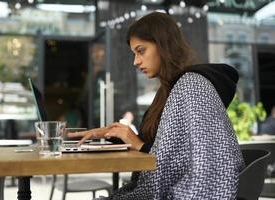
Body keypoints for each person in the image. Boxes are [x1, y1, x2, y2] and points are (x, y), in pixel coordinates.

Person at [69, 12, 244, 199]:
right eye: (134, 53)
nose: (135, 62)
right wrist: (114, 134)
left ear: (163, 44)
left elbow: (202, 166)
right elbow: (169, 151)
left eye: (141, 50)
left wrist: (137, 143)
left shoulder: (192, 86)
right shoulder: (169, 90)